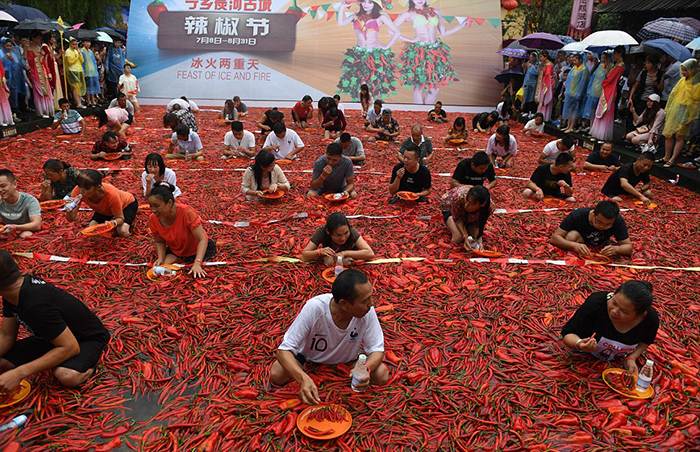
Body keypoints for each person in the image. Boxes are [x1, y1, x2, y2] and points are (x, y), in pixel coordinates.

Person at [270, 269, 386, 404]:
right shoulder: (315, 308)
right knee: (277, 374)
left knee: (381, 374)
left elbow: (377, 350)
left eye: (371, 297)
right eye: (365, 300)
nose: (371, 304)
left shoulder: (367, 311)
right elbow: (283, 350)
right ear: (344, 304)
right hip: (309, 358)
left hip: (348, 362)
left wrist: (364, 369)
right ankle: (305, 370)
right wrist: (303, 378)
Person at [0, 250, 110, 390]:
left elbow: (70, 347)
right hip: (51, 337)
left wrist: (19, 373)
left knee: (66, 375)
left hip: (86, 338)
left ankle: (89, 367)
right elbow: (6, 335)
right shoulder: (12, 291)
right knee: (2, 363)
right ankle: (53, 354)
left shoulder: (36, 305)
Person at [561, 281, 658, 374]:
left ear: (640, 315)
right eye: (614, 303)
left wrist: (632, 357)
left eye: (624, 311)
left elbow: (646, 341)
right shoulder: (595, 304)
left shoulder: (650, 319)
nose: (615, 311)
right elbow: (568, 333)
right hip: (584, 361)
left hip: (617, 366)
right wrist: (579, 344)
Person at [393, 0, 466, 104]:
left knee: (436, 87)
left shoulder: (436, 12)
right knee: (419, 86)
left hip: (436, 51)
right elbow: (391, 30)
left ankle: (427, 110)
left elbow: (443, 32)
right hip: (420, 51)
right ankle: (419, 113)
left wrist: (461, 26)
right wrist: (411, 40)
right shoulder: (408, 14)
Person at [337, 0, 402, 100]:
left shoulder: (381, 17)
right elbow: (340, 23)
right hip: (359, 55)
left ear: (375, 4)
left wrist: (386, 46)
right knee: (360, 84)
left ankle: (372, 108)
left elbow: (397, 32)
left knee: (373, 84)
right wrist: (342, 7)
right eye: (364, 2)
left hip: (374, 55)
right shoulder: (355, 17)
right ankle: (363, 108)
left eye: (370, 2)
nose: (366, 5)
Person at [147, 184, 215, 279]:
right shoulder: (153, 219)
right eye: (150, 205)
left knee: (192, 275)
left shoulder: (186, 212)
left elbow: (202, 239)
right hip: (176, 249)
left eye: (156, 206)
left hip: (196, 249)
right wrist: (160, 258)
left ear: (170, 203)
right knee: (162, 268)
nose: (153, 210)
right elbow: (159, 241)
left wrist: (197, 263)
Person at [66, 170, 138, 237]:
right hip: (105, 210)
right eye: (79, 187)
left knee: (122, 231)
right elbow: (71, 219)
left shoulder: (111, 194)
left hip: (127, 205)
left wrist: (113, 223)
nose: (81, 191)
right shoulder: (77, 191)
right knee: (92, 228)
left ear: (98, 187)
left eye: (86, 188)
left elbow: (120, 218)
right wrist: (69, 210)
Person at [550, 200, 632, 257]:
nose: (602, 226)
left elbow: (628, 247)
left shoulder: (617, 220)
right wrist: (574, 245)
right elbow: (555, 238)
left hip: (602, 245)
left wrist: (616, 249)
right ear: (593, 214)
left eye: (608, 224)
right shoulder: (578, 215)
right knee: (571, 236)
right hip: (579, 239)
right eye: (599, 222)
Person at [660, 58, 700, 168]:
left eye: (686, 70)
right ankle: (666, 156)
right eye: (682, 70)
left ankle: (672, 159)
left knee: (679, 135)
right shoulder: (682, 80)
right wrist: (668, 109)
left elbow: (696, 103)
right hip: (676, 108)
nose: (683, 73)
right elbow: (673, 94)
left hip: (686, 111)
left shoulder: (697, 84)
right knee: (668, 134)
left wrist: (691, 117)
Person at [301, 213, 375, 266]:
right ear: (328, 232)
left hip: (351, 253)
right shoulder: (321, 231)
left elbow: (370, 253)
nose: (343, 238)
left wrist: (345, 253)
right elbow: (304, 256)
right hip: (331, 256)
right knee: (328, 261)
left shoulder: (351, 231)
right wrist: (319, 251)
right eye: (338, 235)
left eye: (346, 233)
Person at [439, 184, 492, 250]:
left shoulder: (489, 207)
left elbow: (479, 222)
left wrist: (479, 241)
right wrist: (465, 236)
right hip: (450, 208)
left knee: (475, 237)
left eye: (471, 204)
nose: (466, 205)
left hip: (468, 213)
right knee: (458, 237)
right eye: (467, 201)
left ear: (482, 204)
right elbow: (458, 219)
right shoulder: (459, 198)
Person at [590, 46, 626, 141]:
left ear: (619, 54)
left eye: (615, 53)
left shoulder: (620, 66)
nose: (614, 55)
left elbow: (610, 79)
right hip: (607, 88)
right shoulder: (616, 65)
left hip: (610, 89)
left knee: (606, 111)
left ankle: (602, 134)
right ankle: (597, 133)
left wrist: (605, 79)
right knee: (602, 109)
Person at [0, 169, 41, 239]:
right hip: (6, 230)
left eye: (3, 186)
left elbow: (37, 225)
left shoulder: (29, 200)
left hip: (26, 229)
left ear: (15, 184)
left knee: (25, 235)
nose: (0, 190)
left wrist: (14, 227)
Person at [25, 32, 53, 118]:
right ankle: (42, 111)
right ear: (33, 38)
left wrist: (48, 72)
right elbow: (29, 63)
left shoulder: (40, 49)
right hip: (36, 73)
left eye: (40, 38)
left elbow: (44, 62)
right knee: (39, 91)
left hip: (43, 72)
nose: (39, 40)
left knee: (47, 91)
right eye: (37, 38)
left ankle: (48, 110)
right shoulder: (29, 50)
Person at [581, 52, 610, 131]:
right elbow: (593, 76)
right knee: (591, 109)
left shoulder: (610, 67)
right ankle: (590, 127)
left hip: (601, 91)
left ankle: (594, 128)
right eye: (602, 58)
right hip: (594, 90)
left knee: (597, 110)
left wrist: (607, 68)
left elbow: (608, 79)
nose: (603, 60)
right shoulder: (600, 66)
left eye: (605, 58)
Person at [561, 53, 589, 133]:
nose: (574, 61)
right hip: (570, 92)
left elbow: (583, 82)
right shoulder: (573, 68)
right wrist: (566, 90)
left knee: (575, 110)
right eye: (574, 60)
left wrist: (579, 93)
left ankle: (572, 126)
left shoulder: (583, 69)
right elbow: (569, 80)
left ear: (580, 60)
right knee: (569, 110)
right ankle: (568, 126)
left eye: (576, 60)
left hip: (577, 92)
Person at [64, 38, 85, 109]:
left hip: (79, 70)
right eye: (73, 44)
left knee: (79, 86)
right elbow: (69, 62)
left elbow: (82, 61)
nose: (75, 46)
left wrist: (79, 53)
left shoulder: (76, 51)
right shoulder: (68, 51)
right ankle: (78, 103)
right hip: (72, 71)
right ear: (70, 44)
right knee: (75, 87)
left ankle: (80, 102)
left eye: (76, 44)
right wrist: (76, 58)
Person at [536, 51, 555, 121]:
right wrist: (539, 68)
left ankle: (544, 116)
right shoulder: (545, 64)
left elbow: (547, 75)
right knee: (543, 99)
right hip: (545, 82)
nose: (540, 58)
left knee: (545, 99)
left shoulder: (549, 65)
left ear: (545, 57)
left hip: (548, 83)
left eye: (541, 57)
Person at [80, 40, 100, 107]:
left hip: (93, 71)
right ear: (83, 43)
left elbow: (94, 62)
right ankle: (88, 100)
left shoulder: (91, 52)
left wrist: (96, 71)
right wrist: (83, 72)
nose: (88, 43)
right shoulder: (81, 51)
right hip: (87, 71)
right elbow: (82, 63)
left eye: (89, 42)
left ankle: (93, 100)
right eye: (86, 42)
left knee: (93, 86)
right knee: (88, 87)